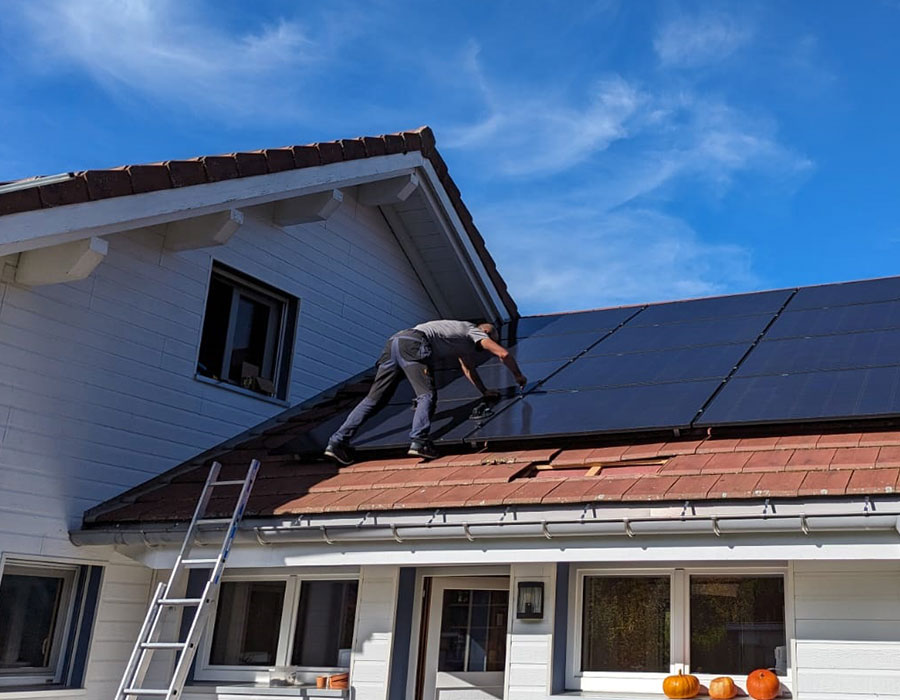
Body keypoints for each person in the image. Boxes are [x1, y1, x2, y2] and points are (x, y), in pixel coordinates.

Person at [325, 320, 527, 465]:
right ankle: (420, 441)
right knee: (427, 395)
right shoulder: (474, 331)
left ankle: (336, 442)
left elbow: (468, 369)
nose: (480, 350)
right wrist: (518, 376)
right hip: (413, 344)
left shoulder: (457, 336)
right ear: (486, 333)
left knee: (374, 399)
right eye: (483, 345)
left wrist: (484, 391)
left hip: (394, 342)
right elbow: (503, 353)